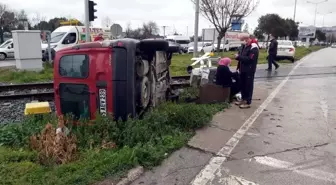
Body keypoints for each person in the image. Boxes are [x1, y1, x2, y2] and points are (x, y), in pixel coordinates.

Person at [234, 36, 259, 109]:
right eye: (243, 40)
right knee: (242, 85)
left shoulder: (254, 47)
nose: (244, 41)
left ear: (250, 39)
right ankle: (243, 99)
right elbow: (241, 56)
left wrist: (239, 57)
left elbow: (250, 59)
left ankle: (247, 101)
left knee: (248, 85)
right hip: (242, 69)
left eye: (246, 39)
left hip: (249, 70)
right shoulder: (244, 46)